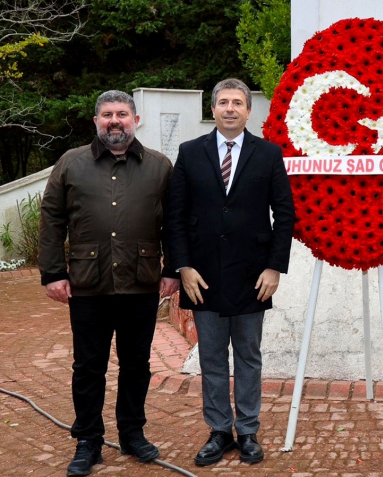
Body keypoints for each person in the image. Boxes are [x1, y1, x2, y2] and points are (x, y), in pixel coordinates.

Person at [38, 90, 179, 476]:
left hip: (142, 281)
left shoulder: (159, 166)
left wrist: (173, 269)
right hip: (88, 284)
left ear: (135, 119)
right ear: (96, 121)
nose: (114, 121)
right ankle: (88, 441)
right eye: (106, 115)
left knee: (136, 365)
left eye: (122, 114)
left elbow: (175, 224)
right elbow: (51, 219)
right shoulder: (71, 163)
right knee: (88, 367)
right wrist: (52, 273)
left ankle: (133, 434)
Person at [167, 78, 295, 466]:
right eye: (223, 102)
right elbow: (174, 216)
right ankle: (220, 430)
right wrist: (183, 266)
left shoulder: (269, 154)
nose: (229, 109)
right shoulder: (190, 153)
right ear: (213, 109)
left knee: (248, 355)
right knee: (211, 356)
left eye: (237, 102)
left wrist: (275, 267)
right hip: (201, 275)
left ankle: (249, 431)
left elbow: (285, 214)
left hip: (252, 275)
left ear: (248, 110)